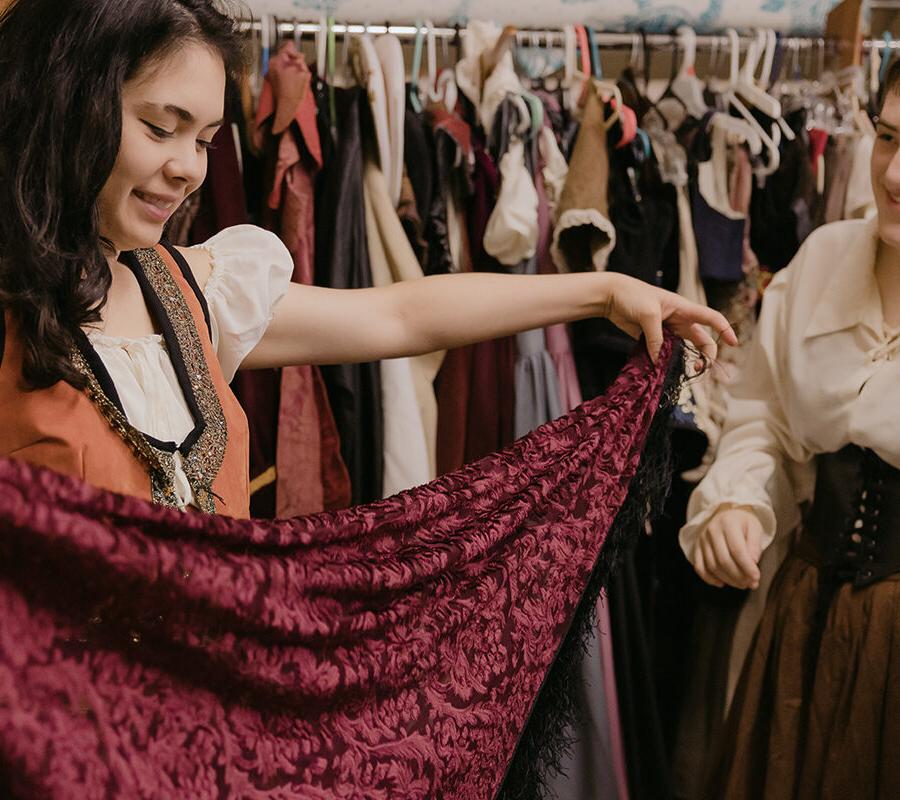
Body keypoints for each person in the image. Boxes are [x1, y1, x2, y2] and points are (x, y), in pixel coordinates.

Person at [0, 0, 733, 517]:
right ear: (68, 105)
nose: (190, 170)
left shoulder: (191, 294)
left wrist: (603, 291)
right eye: (162, 128)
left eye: (205, 141)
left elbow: (400, 314)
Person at [680, 59, 900, 800]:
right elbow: (764, 420)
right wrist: (739, 501)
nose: (895, 175)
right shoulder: (823, 260)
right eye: (888, 137)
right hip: (805, 629)